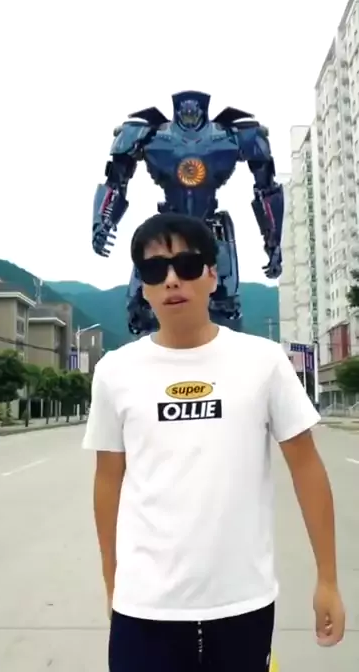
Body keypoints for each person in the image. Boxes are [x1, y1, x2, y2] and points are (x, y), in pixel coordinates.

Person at [82, 212, 345, 671]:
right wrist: (112, 582)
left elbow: (306, 467)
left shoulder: (263, 361)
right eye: (154, 269)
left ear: (211, 274)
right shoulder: (114, 372)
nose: (171, 280)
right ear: (143, 286)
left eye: (186, 265)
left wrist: (328, 579)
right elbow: (108, 481)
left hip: (242, 602)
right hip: (144, 606)